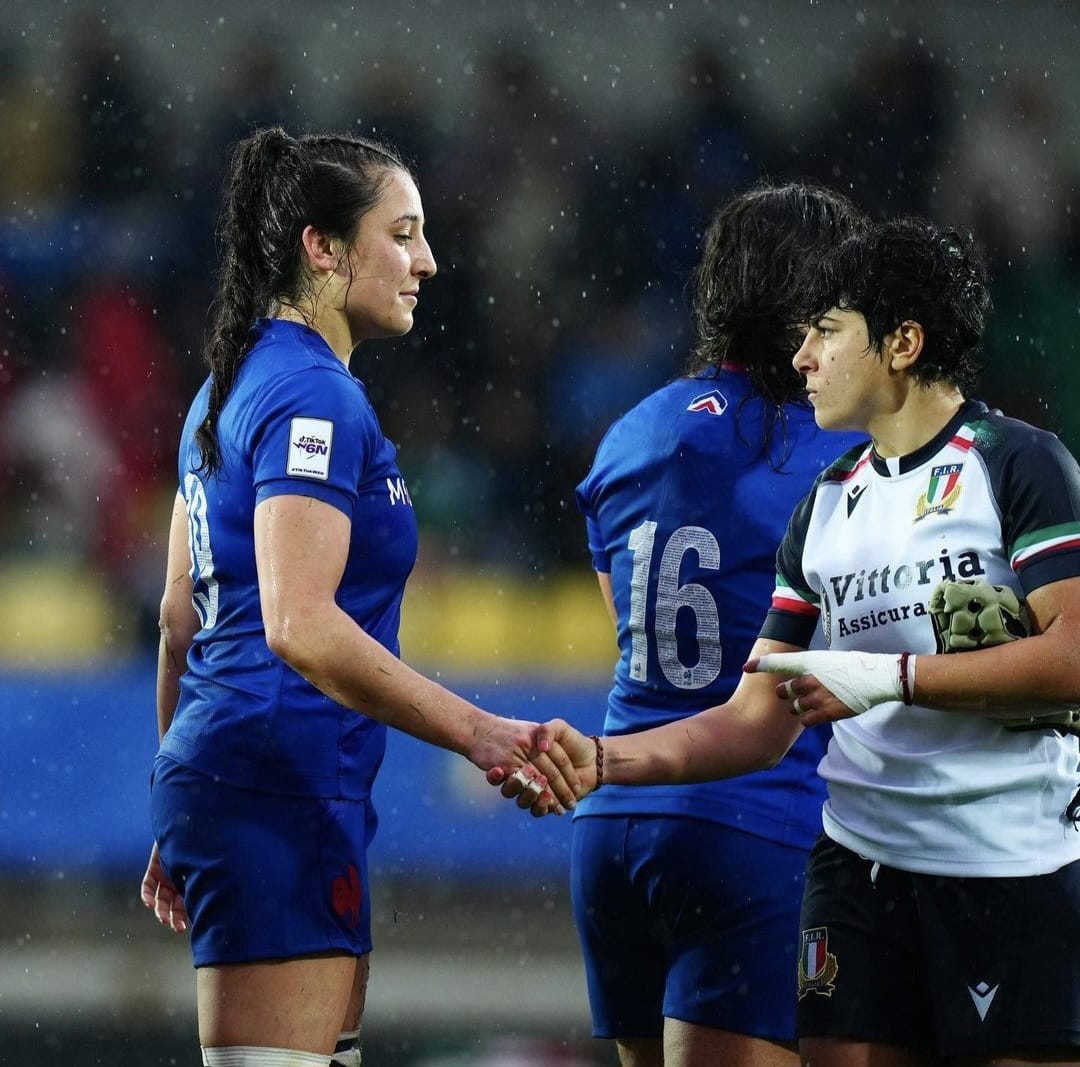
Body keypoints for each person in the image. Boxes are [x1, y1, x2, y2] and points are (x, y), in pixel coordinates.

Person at [505, 217, 1080, 1066]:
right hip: (860, 874)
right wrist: (602, 758)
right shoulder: (823, 503)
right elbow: (755, 716)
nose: (804, 354)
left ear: (902, 344)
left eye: (828, 330)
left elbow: (1071, 660)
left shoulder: (1020, 466)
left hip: (1015, 865)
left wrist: (894, 678)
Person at [140, 126, 578, 1067]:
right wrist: (479, 730)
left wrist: (181, 789)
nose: (427, 260)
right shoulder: (313, 398)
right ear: (323, 247)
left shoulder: (227, 385)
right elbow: (298, 624)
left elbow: (181, 617)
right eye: (404, 234)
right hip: (275, 780)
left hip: (256, 778)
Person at [566, 181, 867, 1067]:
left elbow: (624, 626)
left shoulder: (630, 432)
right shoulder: (844, 457)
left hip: (614, 822)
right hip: (756, 825)